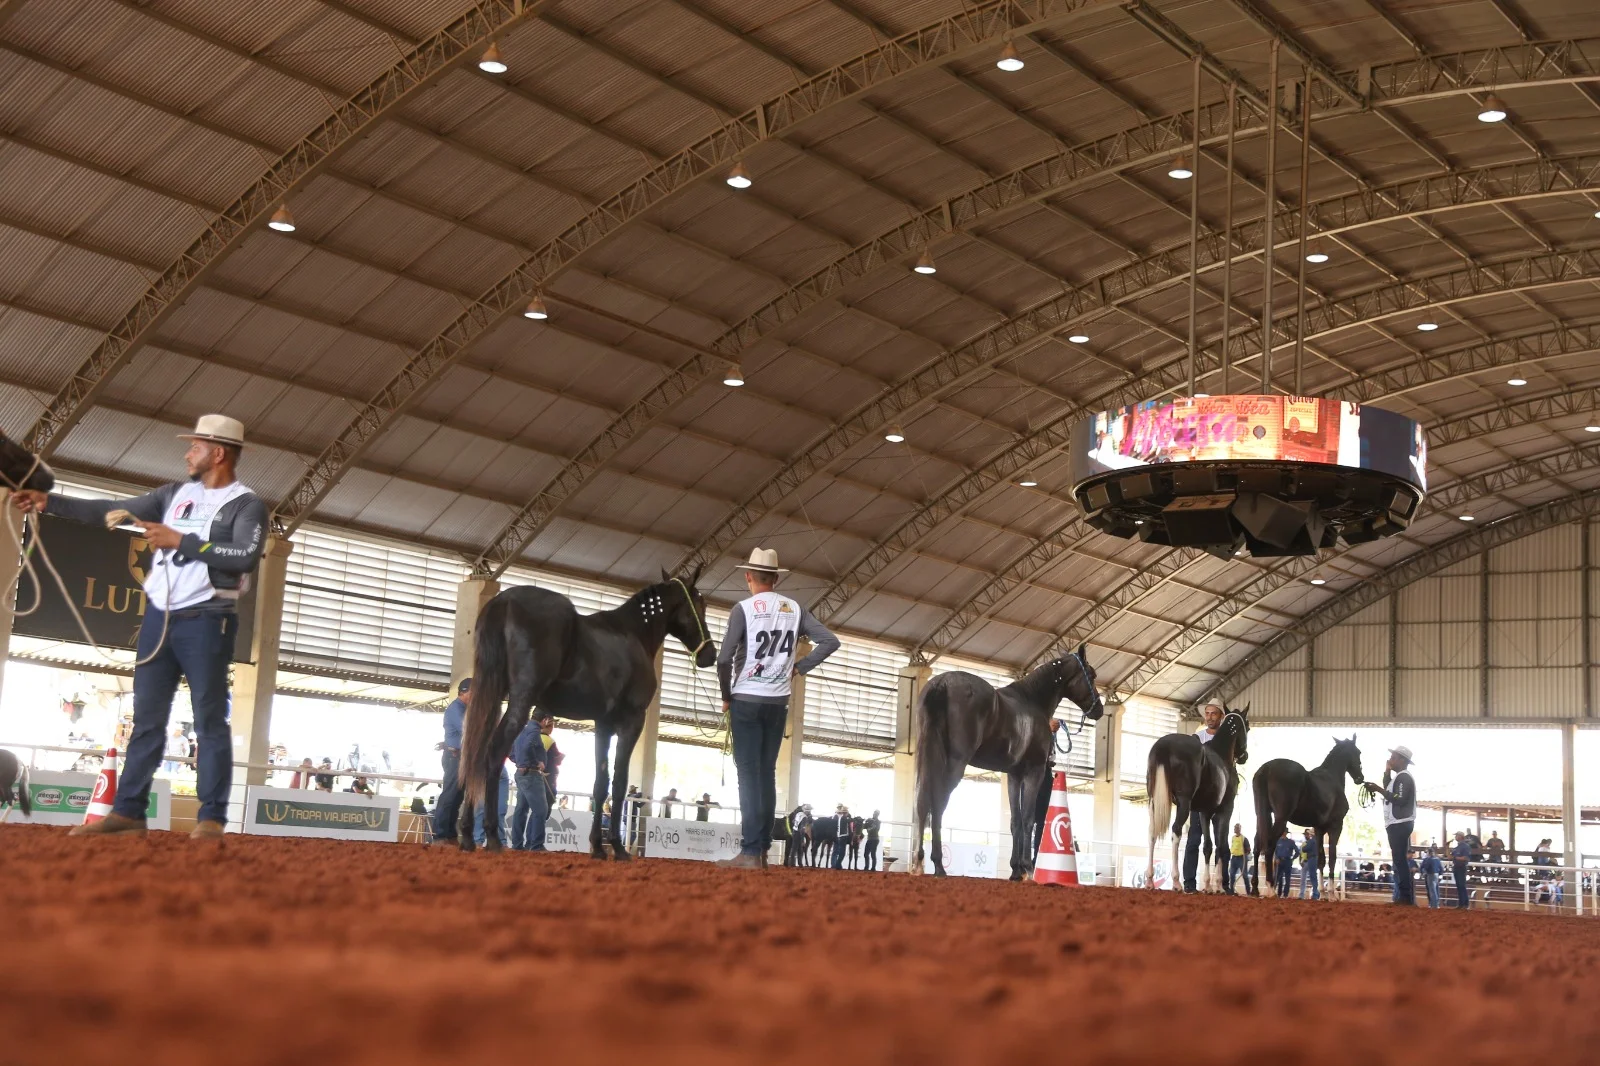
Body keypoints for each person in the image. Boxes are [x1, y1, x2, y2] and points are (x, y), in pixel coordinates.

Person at [13, 415, 267, 839]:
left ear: (218, 453)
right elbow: (113, 510)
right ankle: (128, 813)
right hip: (160, 617)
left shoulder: (246, 504)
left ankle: (211, 819)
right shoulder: (174, 494)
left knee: (209, 717)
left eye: (195, 446)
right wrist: (48, 502)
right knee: (147, 718)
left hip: (208, 617)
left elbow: (242, 555)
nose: (187, 453)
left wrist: (180, 541)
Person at [715, 547, 840, 870]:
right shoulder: (794, 608)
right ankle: (763, 850)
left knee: (748, 776)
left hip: (745, 698)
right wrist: (800, 666)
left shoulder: (743, 609)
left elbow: (725, 658)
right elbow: (829, 641)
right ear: (775, 578)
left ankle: (750, 850)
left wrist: (726, 696)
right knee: (766, 774)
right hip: (778, 701)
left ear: (748, 577)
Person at [1363, 745, 1417, 906]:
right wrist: (1386, 771)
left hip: (1400, 823)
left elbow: (1399, 799)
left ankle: (1406, 897)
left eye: (1394, 757)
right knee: (1398, 859)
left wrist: (1378, 789)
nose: (1390, 760)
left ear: (1402, 760)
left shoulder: (1404, 777)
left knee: (1399, 860)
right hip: (1396, 822)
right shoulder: (1399, 777)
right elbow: (1389, 788)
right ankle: (1404, 896)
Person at [1181, 702, 1225, 892]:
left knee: (1220, 841)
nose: (1209, 717)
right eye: (1207, 713)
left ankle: (1221, 883)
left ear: (1221, 716)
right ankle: (1189, 883)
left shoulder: (1227, 739)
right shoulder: (1197, 738)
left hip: (1220, 799)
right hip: (1199, 799)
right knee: (1194, 840)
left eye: (1213, 713)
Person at [430, 678, 471, 845]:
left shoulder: (461, 708)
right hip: (455, 757)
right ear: (465, 691)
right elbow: (467, 729)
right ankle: (440, 834)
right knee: (450, 795)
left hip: (458, 756)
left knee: (456, 796)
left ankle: (448, 834)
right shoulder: (456, 709)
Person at [509, 717, 551, 851]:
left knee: (521, 809)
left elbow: (511, 752)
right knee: (541, 810)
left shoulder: (522, 730)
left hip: (522, 773)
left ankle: (517, 845)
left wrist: (520, 762)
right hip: (532, 774)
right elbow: (528, 746)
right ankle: (536, 845)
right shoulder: (534, 731)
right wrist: (536, 762)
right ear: (545, 720)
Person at [1449, 831, 1472, 909]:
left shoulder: (1465, 846)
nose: (1455, 837)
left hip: (1461, 867)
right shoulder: (1457, 847)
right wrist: (1447, 847)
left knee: (1461, 885)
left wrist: (1455, 858)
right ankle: (1461, 903)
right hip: (1456, 866)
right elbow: (1449, 857)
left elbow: (1465, 858)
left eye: (1457, 835)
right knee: (1459, 886)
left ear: (1460, 836)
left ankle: (1465, 903)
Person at [1227, 823, 1249, 895]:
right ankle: (1232, 891)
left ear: (1239, 829)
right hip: (1234, 858)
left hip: (1241, 858)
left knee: (1245, 875)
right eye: (1234, 827)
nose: (1235, 829)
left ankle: (1248, 892)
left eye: (1236, 828)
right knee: (1232, 874)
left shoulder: (1244, 838)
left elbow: (1248, 849)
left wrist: (1246, 855)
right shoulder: (1233, 838)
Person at [1274, 833, 1298, 897]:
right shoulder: (1278, 841)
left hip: (1287, 861)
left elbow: (1297, 851)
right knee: (1277, 878)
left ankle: (1285, 894)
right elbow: (1275, 851)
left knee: (1287, 879)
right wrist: (1276, 858)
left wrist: (1292, 859)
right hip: (1280, 861)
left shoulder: (1291, 842)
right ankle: (1276, 892)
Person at [832, 805, 852, 870]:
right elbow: (850, 820)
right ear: (846, 812)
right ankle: (838, 864)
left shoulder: (841, 817)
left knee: (841, 852)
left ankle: (838, 865)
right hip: (843, 836)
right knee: (842, 853)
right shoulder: (844, 818)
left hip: (841, 836)